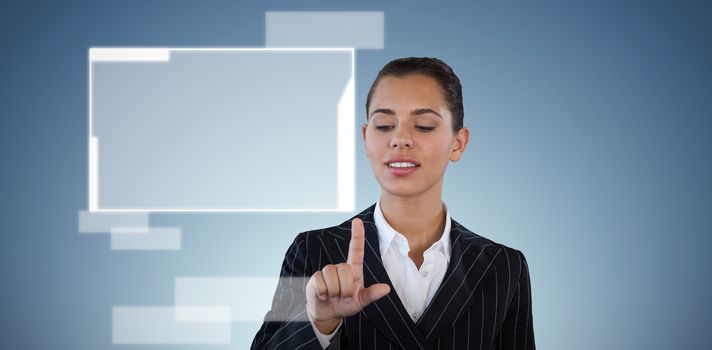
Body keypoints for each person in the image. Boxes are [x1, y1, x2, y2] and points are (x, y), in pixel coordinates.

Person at [251, 57, 535, 349]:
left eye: (424, 125)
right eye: (384, 125)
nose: (400, 139)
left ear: (458, 143)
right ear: (366, 138)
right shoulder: (313, 251)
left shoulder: (504, 267)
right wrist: (320, 325)